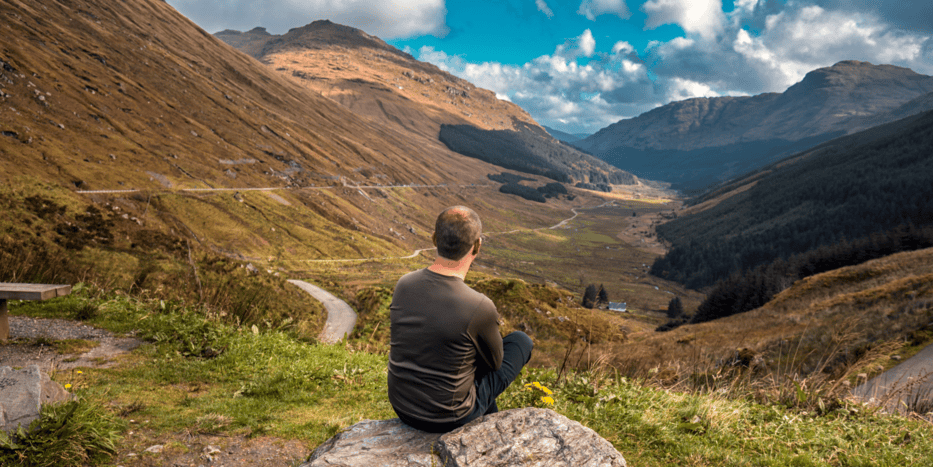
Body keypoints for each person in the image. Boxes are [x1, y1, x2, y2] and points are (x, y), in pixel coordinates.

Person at [387, 205, 534, 433]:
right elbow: (495, 364)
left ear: (434, 239)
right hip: (450, 417)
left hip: (403, 406)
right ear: (477, 246)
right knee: (521, 341)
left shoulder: (403, 284)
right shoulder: (478, 306)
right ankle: (488, 432)